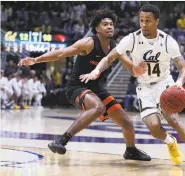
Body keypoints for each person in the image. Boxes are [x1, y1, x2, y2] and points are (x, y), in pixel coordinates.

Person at [80, 4, 185, 173]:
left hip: (164, 84)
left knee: (173, 119)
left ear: (157, 21)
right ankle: (170, 142)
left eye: (148, 21)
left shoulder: (167, 41)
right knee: (154, 127)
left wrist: (179, 82)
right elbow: (110, 57)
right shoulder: (131, 39)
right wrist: (96, 70)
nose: (143, 24)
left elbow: (183, 67)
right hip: (144, 88)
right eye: (141, 20)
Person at [18, 10, 151, 161]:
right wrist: (36, 60)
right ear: (97, 29)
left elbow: (132, 70)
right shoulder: (88, 43)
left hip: (98, 89)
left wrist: (138, 70)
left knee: (126, 122)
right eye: (105, 24)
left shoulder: (116, 47)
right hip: (77, 87)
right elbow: (61, 53)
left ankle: (131, 150)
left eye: (111, 24)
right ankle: (61, 141)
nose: (109, 27)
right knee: (98, 107)